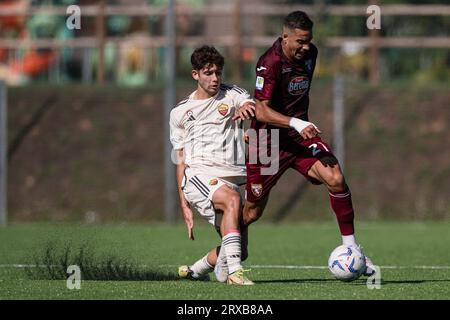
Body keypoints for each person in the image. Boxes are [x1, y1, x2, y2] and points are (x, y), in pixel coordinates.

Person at [242, 11, 375, 275]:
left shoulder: (311, 53)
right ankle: (225, 255)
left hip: (299, 138)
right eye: (299, 41)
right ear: (285, 37)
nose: (305, 47)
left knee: (335, 178)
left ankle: (353, 249)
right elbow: (260, 111)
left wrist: (299, 125)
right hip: (266, 142)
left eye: (308, 41)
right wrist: (295, 122)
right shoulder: (269, 63)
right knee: (251, 213)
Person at [169, 45, 256, 285]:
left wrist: (249, 108)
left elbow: (249, 103)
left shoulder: (232, 94)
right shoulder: (180, 112)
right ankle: (235, 276)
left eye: (218, 72)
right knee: (231, 200)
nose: (215, 78)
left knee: (238, 249)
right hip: (199, 176)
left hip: (234, 177)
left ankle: (195, 271)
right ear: (195, 74)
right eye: (208, 73)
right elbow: (181, 159)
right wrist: (183, 204)